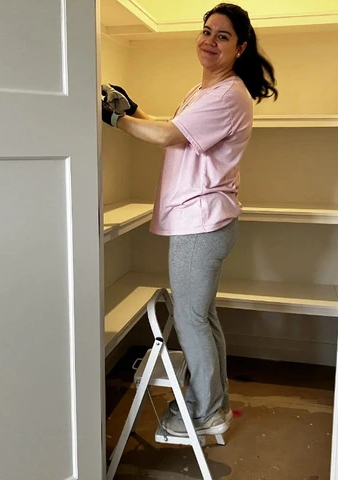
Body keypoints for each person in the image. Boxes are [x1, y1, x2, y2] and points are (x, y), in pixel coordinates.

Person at [101, 3, 278, 436]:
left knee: (191, 318)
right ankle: (214, 402)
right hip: (204, 220)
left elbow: (167, 135)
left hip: (201, 223)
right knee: (202, 317)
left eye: (223, 36)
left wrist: (114, 119)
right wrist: (134, 110)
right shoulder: (205, 90)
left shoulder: (227, 94)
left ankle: (205, 411)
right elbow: (175, 131)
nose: (210, 40)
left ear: (240, 47)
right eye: (207, 31)